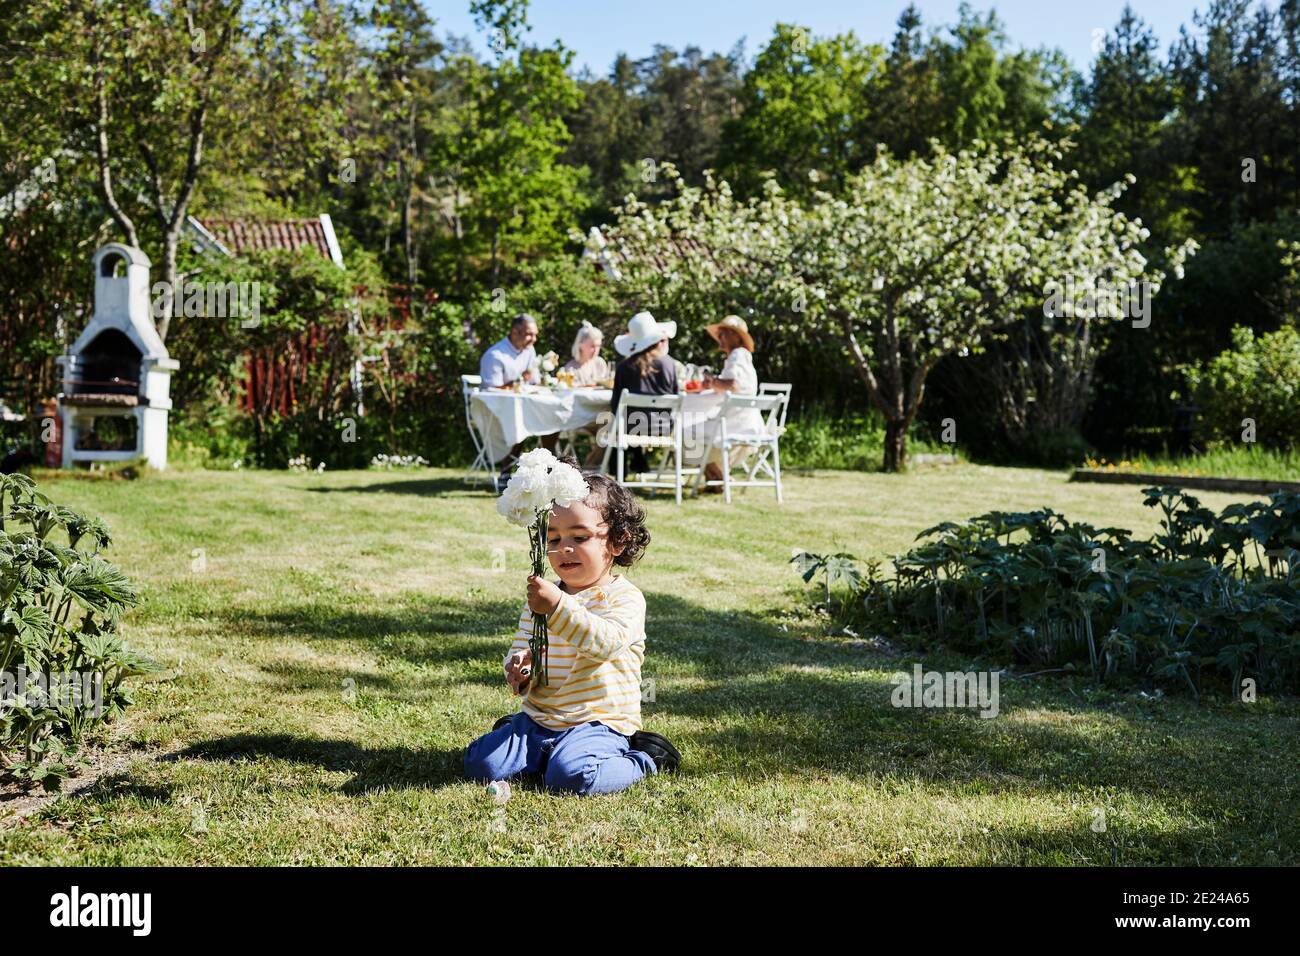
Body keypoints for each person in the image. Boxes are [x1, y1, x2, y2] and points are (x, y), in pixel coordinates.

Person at [463, 467, 680, 795]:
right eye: (554, 538)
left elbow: (604, 643)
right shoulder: (544, 596)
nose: (564, 547)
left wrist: (558, 607)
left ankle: (647, 758)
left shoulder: (625, 598)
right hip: (540, 718)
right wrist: (520, 665)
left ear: (619, 541)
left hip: (599, 722)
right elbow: (525, 644)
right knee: (480, 764)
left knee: (572, 777)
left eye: (579, 537)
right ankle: (521, 738)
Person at [478, 313, 557, 489]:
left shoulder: (529, 351)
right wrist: (520, 380)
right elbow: (492, 389)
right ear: (515, 331)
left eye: (535, 334)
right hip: (495, 410)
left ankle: (548, 468)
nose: (534, 339)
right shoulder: (496, 355)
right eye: (530, 334)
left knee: (552, 414)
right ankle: (505, 471)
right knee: (519, 418)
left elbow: (534, 382)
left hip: (523, 407)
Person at [700, 314, 765, 491]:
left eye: (723, 334)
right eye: (718, 334)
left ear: (736, 336)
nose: (719, 338)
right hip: (744, 421)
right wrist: (715, 383)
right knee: (695, 430)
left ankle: (718, 478)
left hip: (735, 423)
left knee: (686, 430)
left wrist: (713, 382)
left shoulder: (738, 355)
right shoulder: (738, 357)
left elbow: (734, 384)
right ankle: (716, 479)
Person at [611, 311, 678, 475]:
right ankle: (637, 461)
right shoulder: (669, 364)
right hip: (663, 427)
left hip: (631, 426)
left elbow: (616, 404)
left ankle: (618, 469)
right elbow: (675, 396)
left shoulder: (625, 366)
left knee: (611, 422)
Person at [562, 321, 610, 386]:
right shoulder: (571, 369)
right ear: (580, 345)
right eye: (592, 346)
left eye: (598, 346)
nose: (596, 350)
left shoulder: (600, 364)